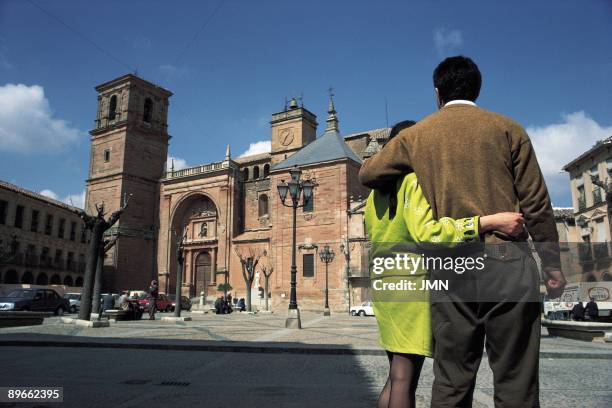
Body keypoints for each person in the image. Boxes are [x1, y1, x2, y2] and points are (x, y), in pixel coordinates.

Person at [359, 56, 566, 407]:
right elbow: (536, 203)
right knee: (516, 378)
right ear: (478, 88)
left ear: (438, 93)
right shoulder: (509, 128)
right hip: (508, 266)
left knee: (452, 381)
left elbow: (367, 175)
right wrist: (552, 266)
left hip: (451, 269)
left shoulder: (416, 136)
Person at [366, 120, 526, 408]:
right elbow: (430, 235)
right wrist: (487, 222)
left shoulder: (373, 195)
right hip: (410, 289)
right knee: (405, 378)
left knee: (395, 375)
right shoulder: (412, 183)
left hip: (384, 287)